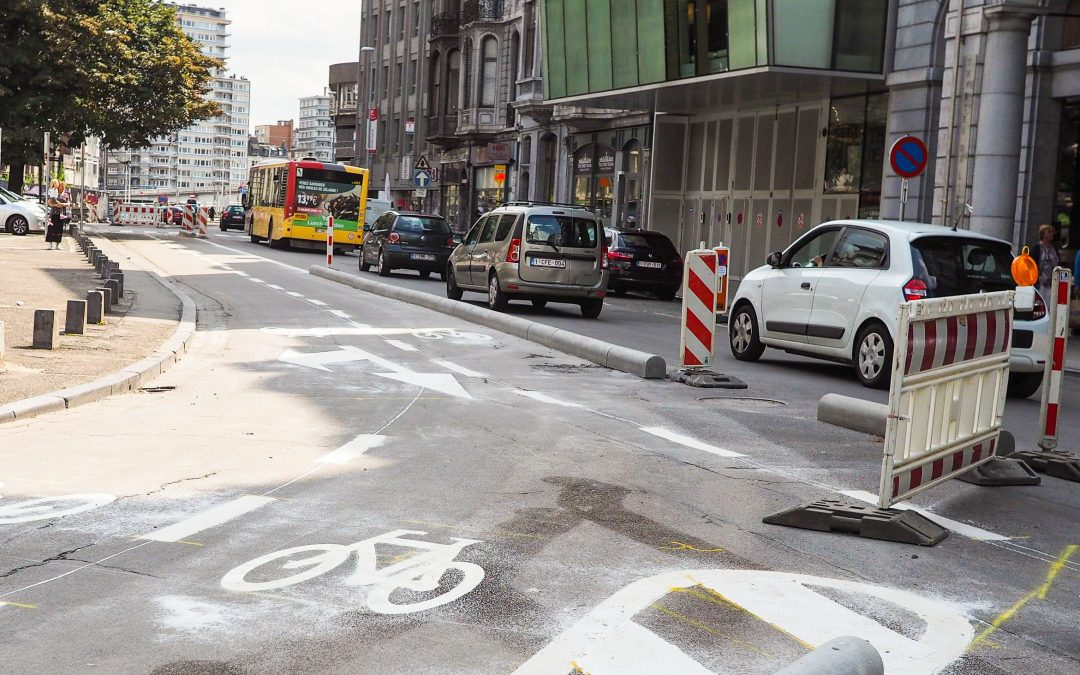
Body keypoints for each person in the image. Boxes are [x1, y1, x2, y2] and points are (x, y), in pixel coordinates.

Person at [1031, 223, 1060, 303]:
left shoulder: (1054, 248)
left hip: (1053, 282)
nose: (1051, 234)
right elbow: (1032, 265)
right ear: (1043, 235)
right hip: (1040, 283)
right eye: (1049, 232)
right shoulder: (1037, 248)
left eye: (1052, 232)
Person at [45, 180, 71, 249]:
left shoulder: (66, 194)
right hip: (53, 213)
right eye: (61, 186)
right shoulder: (55, 193)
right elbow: (49, 202)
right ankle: (50, 244)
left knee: (59, 229)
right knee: (51, 228)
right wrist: (56, 205)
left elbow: (69, 204)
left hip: (61, 214)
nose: (63, 188)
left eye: (64, 187)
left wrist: (62, 204)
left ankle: (57, 244)